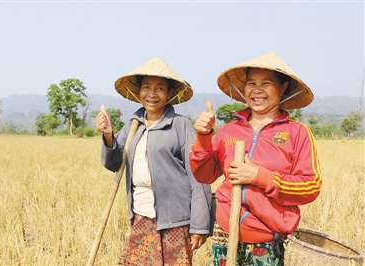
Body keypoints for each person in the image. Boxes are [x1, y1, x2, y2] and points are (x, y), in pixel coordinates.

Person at [189, 52, 322, 266]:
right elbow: (203, 174)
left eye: (266, 83)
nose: (257, 90)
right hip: (225, 235)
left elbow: (310, 186)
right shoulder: (229, 131)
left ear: (283, 88)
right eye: (251, 83)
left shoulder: (298, 133)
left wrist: (259, 176)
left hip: (266, 240)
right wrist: (203, 138)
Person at [95, 58, 213, 265]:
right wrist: (107, 135)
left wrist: (200, 225)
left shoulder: (180, 125)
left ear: (169, 94)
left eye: (159, 88)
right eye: (146, 87)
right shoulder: (133, 125)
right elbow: (114, 164)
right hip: (141, 215)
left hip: (176, 220)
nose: (152, 93)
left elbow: (199, 175)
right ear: (138, 92)